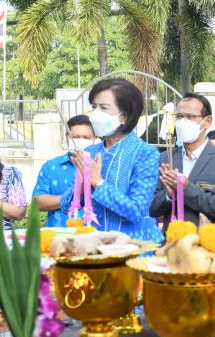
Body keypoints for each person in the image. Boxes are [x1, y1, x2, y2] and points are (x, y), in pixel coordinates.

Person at [70, 78, 163, 243]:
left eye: (103, 108)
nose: (95, 114)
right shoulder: (89, 153)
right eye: (93, 107)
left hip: (134, 247)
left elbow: (136, 210)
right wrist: (81, 182)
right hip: (94, 246)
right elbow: (68, 204)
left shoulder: (145, 153)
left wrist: (98, 182)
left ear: (124, 117)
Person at [150, 93, 215, 230]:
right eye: (179, 117)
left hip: (207, 246)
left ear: (207, 121)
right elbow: (152, 209)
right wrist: (168, 195)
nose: (182, 122)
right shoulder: (165, 159)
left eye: (190, 117)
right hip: (171, 245)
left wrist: (186, 189)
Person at [33, 115, 96, 227]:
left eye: (86, 137)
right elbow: (38, 202)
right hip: (59, 236)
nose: (81, 141)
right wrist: (70, 195)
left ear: (94, 139)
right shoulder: (51, 166)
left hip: (93, 236)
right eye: (76, 137)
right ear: (67, 138)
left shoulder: (100, 166)